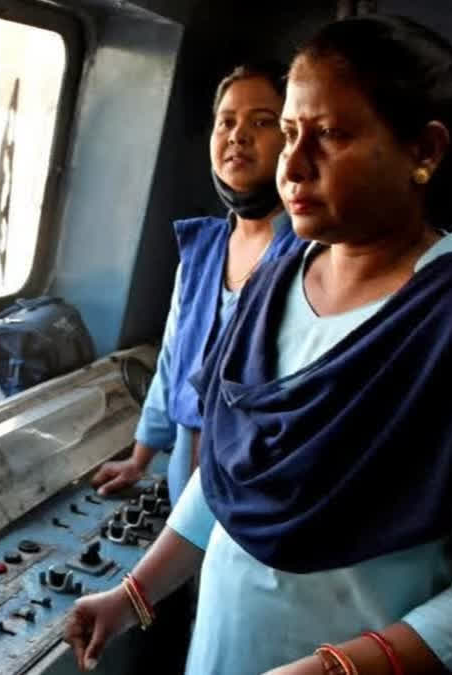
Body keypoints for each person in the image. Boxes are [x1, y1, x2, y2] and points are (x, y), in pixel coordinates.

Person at [66, 15, 452, 675]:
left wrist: (336, 669)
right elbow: (226, 476)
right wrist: (135, 592)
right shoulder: (275, 278)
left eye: (331, 135)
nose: (293, 164)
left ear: (424, 151)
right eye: (291, 133)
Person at [91, 60, 303, 507]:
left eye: (261, 122)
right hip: (183, 479)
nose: (237, 135)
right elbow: (172, 361)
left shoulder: (309, 255)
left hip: (256, 487)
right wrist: (140, 458)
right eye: (225, 122)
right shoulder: (202, 249)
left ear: (292, 138)